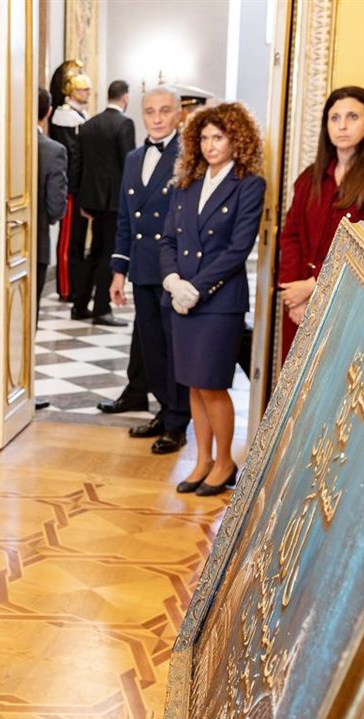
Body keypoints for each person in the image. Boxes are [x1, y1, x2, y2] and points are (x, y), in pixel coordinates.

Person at [159, 102, 266, 496]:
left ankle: (224, 462)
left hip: (219, 303)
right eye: (203, 138)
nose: (210, 145)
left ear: (236, 139)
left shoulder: (249, 184)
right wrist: (173, 281)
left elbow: (238, 249)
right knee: (193, 384)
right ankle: (202, 460)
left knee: (212, 385)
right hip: (181, 298)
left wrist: (196, 289)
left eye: (218, 137)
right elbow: (168, 240)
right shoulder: (187, 183)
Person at [277, 86, 364, 361]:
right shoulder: (310, 177)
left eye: (352, 117)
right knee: (292, 379)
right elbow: (290, 235)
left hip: (345, 300)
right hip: (298, 302)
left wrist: (314, 286)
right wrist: (295, 295)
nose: (342, 126)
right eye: (334, 118)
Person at [108, 86, 189, 454]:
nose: (157, 118)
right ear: (142, 115)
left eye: (165, 110)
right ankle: (163, 409)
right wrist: (118, 271)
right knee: (151, 346)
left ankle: (177, 421)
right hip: (142, 268)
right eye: (150, 111)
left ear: (178, 114)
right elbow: (126, 220)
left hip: (173, 271)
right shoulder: (133, 158)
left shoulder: (188, 156)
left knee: (175, 348)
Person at [69, 79, 135, 326]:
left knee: (94, 252)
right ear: (125, 98)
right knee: (109, 253)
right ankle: (101, 308)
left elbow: (77, 164)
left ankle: (79, 305)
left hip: (91, 200)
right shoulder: (124, 124)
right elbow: (129, 164)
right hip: (115, 201)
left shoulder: (88, 124)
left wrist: (79, 200)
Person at [48, 61, 91, 303]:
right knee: (68, 241)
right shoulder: (63, 116)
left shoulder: (79, 115)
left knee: (78, 239)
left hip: (81, 187)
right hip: (70, 188)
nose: (86, 93)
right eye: (82, 90)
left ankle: (77, 284)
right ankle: (66, 287)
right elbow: (71, 156)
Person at [36, 86, 69, 318]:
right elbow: (56, 207)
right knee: (29, 315)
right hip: (37, 240)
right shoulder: (53, 150)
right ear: (48, 111)